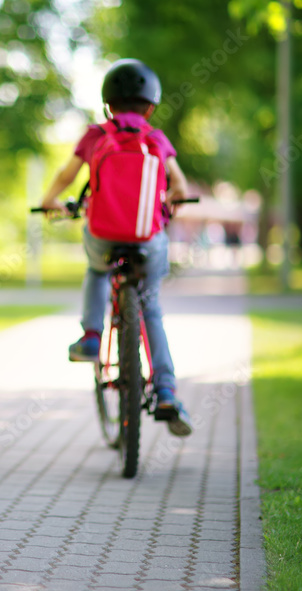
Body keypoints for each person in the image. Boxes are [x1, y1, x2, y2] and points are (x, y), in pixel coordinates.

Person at [40, 58, 193, 437]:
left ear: (108, 105)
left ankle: (92, 337)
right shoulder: (156, 140)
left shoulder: (95, 136)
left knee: (96, 269)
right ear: (151, 107)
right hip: (148, 237)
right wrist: (172, 197)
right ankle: (167, 390)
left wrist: (50, 201)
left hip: (104, 233)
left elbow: (67, 175)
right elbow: (181, 188)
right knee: (151, 307)